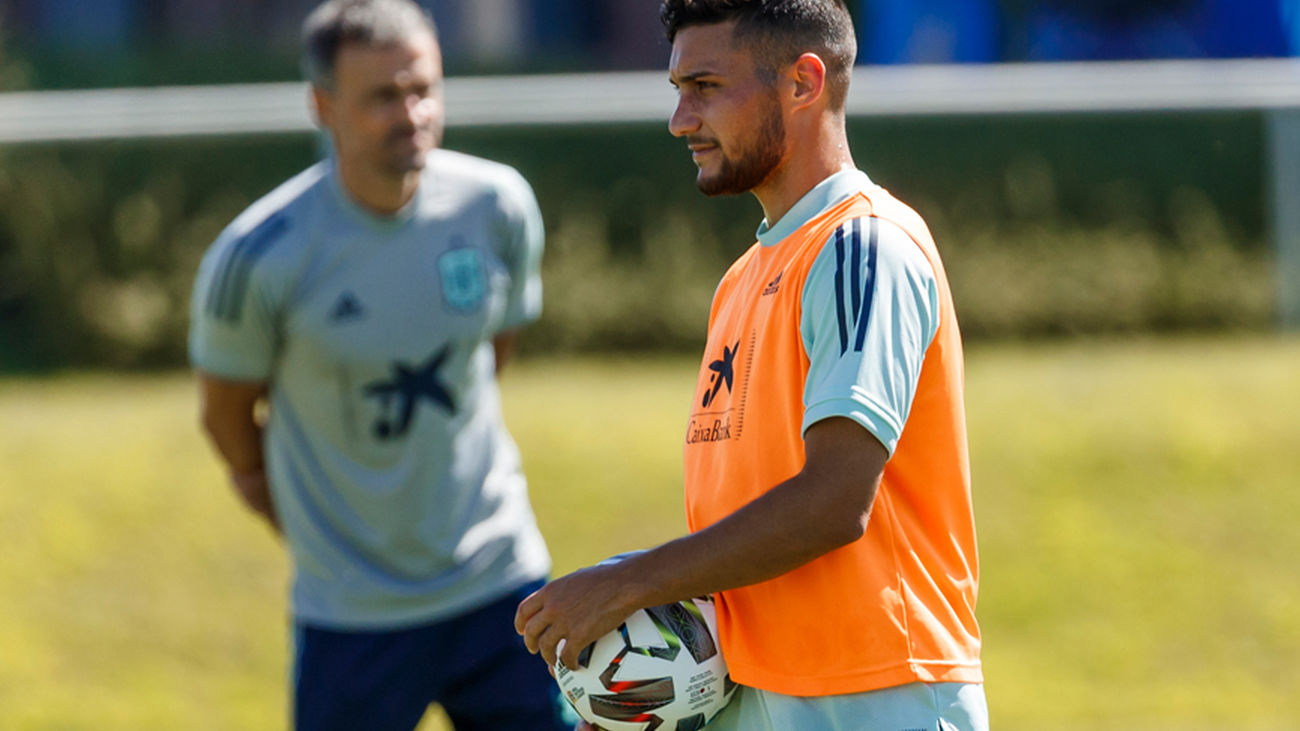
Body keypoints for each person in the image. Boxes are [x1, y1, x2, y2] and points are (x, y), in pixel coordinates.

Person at [515, 1, 987, 729]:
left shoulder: (863, 247)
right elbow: (746, 541)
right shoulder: (742, 279)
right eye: (678, 90)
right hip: (762, 697)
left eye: (704, 87)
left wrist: (626, 585)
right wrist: (645, 685)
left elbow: (835, 501)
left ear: (803, 83)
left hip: (879, 695)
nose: (680, 120)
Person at [188, 1, 573, 729]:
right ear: (323, 106)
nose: (412, 113)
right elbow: (226, 417)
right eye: (383, 97)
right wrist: (303, 519)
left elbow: (492, 352)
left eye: (423, 89)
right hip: (352, 611)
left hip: (500, 580)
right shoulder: (259, 256)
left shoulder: (497, 206)